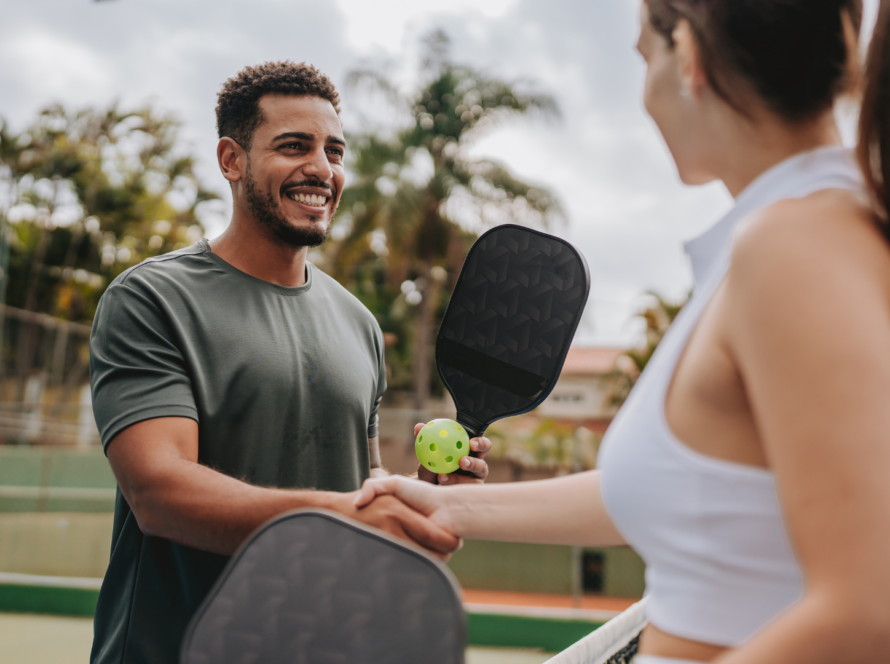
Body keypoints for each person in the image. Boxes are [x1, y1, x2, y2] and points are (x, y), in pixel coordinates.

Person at [355, 1, 890, 662]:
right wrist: (451, 509)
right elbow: (676, 492)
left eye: (644, 56)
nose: (643, 96)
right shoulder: (798, 233)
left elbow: (869, 607)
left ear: (688, 56)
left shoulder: (795, 248)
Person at [88, 61, 485, 664]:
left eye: (335, 151)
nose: (322, 170)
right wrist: (345, 516)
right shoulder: (150, 300)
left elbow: (363, 480)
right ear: (232, 160)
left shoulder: (360, 324)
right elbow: (159, 492)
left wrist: (421, 494)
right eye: (294, 146)